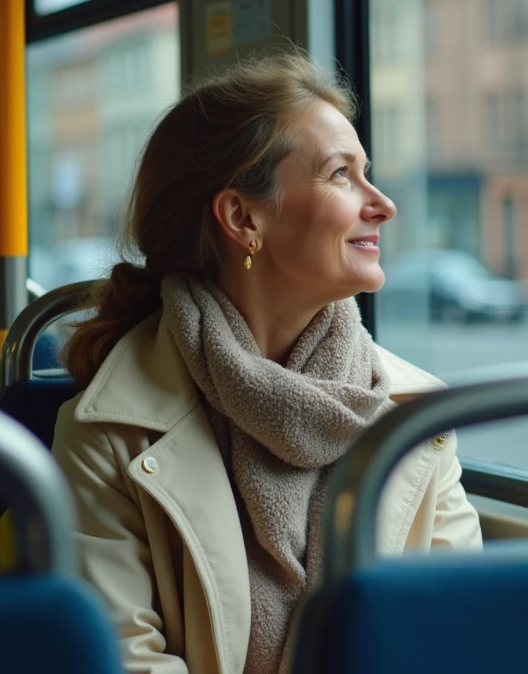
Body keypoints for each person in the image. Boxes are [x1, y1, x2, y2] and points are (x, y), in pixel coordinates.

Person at [52, 50, 483, 674]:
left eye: (369, 173)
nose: (383, 203)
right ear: (243, 217)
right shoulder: (107, 431)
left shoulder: (418, 419)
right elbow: (123, 661)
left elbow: (453, 636)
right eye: (341, 175)